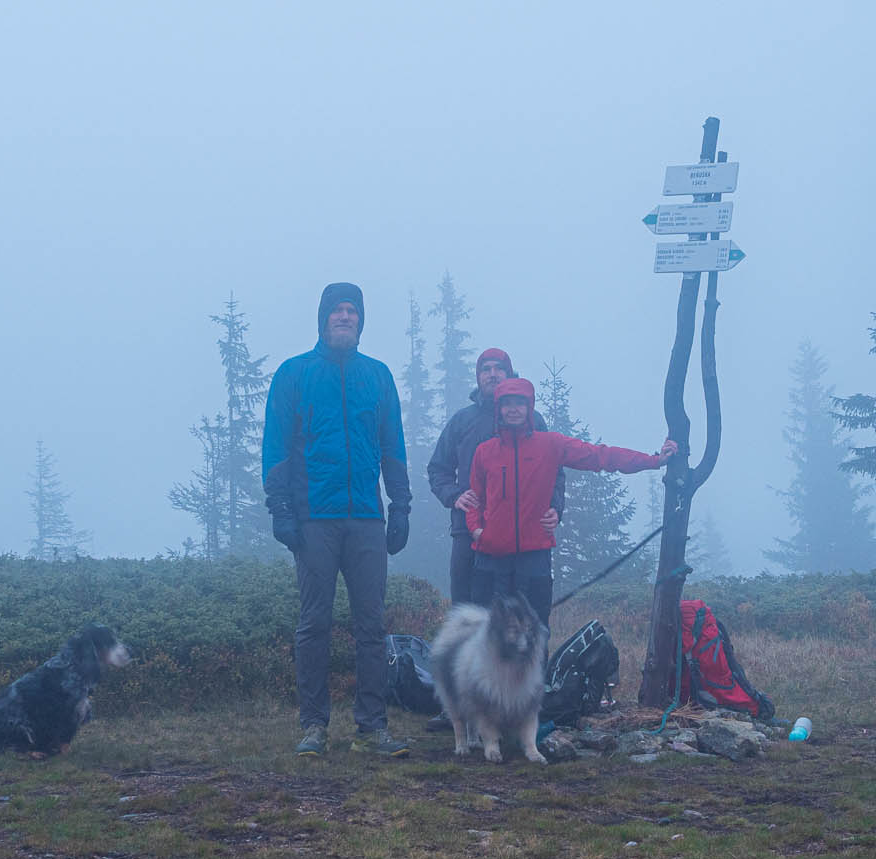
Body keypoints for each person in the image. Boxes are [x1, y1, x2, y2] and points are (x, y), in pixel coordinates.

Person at [262, 282, 412, 758]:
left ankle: (372, 728)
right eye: (337, 311)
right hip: (314, 519)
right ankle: (313, 725)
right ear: (323, 319)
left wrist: (401, 505)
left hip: (367, 517)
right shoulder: (294, 374)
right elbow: (276, 444)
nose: (345, 317)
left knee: (371, 625)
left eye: (352, 311)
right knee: (314, 623)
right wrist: (281, 508)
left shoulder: (378, 376)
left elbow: (393, 445)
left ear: (361, 320)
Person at [462, 377, 676, 629]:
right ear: (498, 409)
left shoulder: (550, 444)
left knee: (534, 634)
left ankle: (539, 671)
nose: (513, 409)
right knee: (486, 636)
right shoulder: (485, 451)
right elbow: (474, 497)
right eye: (507, 403)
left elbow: (601, 456)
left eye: (519, 403)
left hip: (534, 558)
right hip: (491, 559)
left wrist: (653, 460)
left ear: (529, 407)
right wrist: (476, 530)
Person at [423, 347, 563, 731]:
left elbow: (556, 475)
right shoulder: (462, 422)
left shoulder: (534, 422)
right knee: (470, 618)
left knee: (532, 619)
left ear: (511, 376)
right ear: (478, 377)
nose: (492, 374)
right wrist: (455, 495)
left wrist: (555, 510)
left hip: (527, 542)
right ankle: (462, 706)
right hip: (468, 538)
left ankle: (530, 705)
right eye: (485, 369)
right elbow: (437, 470)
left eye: (499, 368)